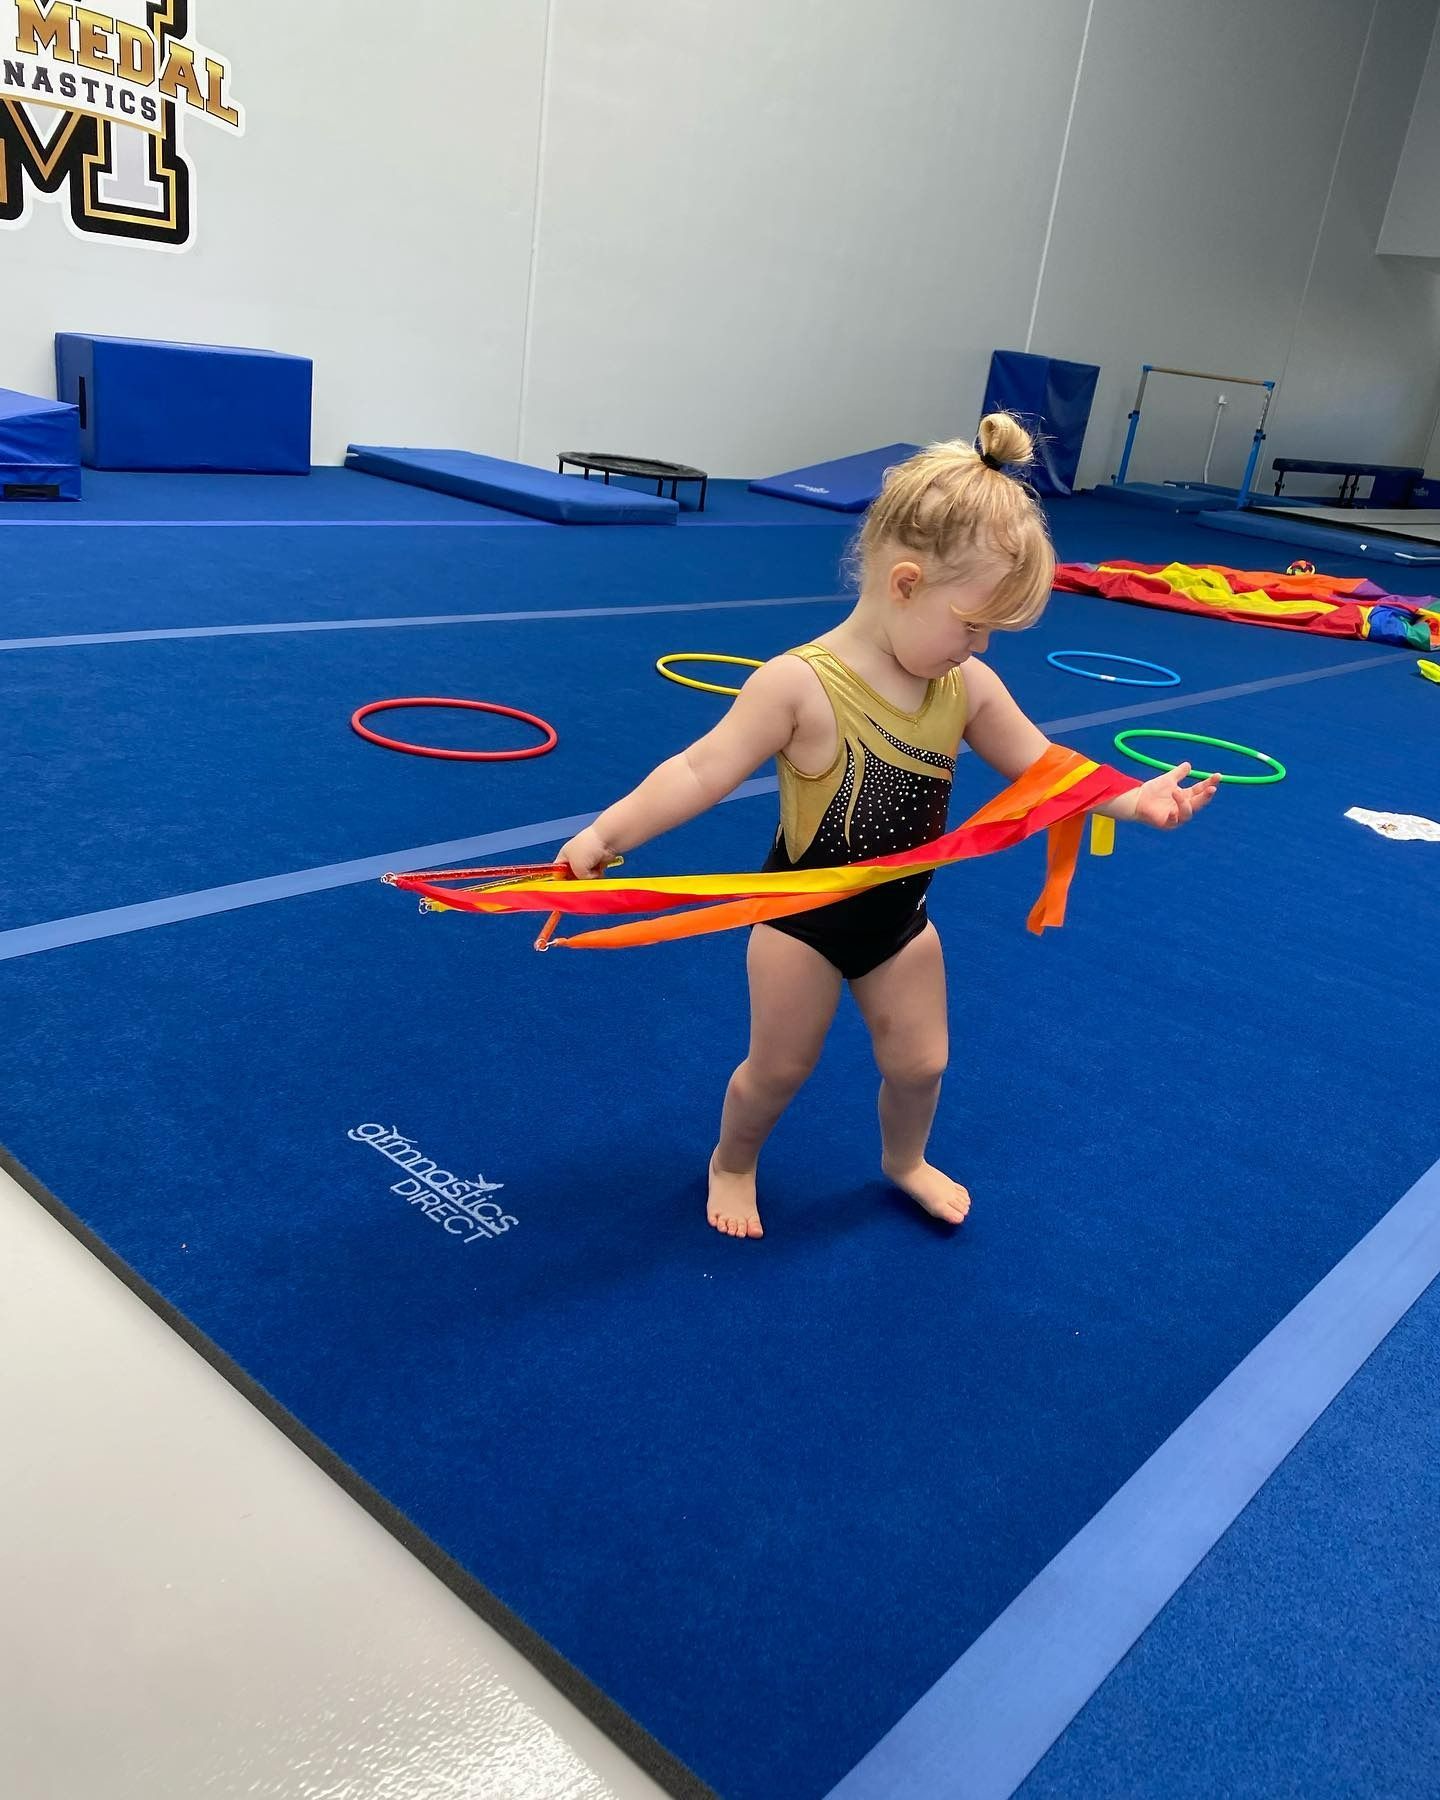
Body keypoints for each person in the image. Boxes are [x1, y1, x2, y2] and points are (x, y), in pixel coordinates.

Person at [559, 416, 1218, 1240]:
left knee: (922, 1063)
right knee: (777, 1069)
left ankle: (903, 1160)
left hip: (899, 922)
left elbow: (1041, 764)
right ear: (904, 583)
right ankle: (732, 1160)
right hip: (799, 922)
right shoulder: (799, 685)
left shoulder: (965, 685)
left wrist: (1131, 800)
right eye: (972, 623)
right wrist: (603, 837)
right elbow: (698, 770)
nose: (978, 646)